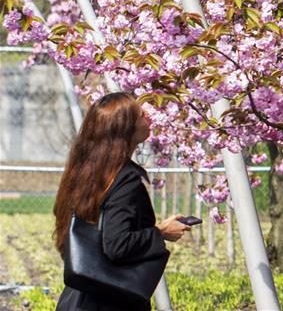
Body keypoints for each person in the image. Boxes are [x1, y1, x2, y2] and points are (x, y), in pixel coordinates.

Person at [53, 92, 191, 311]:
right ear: (124, 128)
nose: (148, 115)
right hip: (111, 301)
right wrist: (161, 232)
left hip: (82, 295)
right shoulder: (125, 181)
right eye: (139, 115)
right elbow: (117, 244)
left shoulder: (84, 174)